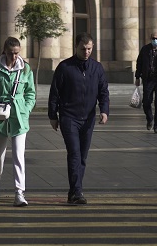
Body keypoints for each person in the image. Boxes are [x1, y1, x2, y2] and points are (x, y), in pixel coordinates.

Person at [48, 33, 109, 205]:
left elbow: (103, 91)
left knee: (82, 156)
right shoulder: (65, 67)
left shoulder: (97, 68)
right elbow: (55, 93)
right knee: (74, 154)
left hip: (88, 119)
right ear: (76, 47)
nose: (86, 52)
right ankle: (77, 192)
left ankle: (74, 190)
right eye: (83, 49)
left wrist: (104, 111)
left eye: (89, 49)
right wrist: (53, 115)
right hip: (69, 117)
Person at [0, 36, 36, 206]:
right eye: (11, 53)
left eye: (17, 53)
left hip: (19, 118)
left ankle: (19, 192)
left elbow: (30, 93)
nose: (14, 56)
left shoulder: (25, 69)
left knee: (19, 156)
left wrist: (26, 109)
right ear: (5, 51)